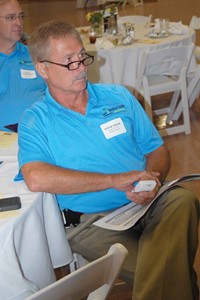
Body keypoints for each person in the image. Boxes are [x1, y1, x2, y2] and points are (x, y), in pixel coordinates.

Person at [16, 20, 199, 300]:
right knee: (172, 275)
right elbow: (36, 177)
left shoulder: (118, 96)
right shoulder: (35, 120)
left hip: (146, 203)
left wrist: (154, 179)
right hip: (91, 223)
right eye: (69, 62)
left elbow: (156, 149)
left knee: (183, 200)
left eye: (82, 57)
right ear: (42, 68)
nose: (81, 67)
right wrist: (115, 181)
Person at [0, 0, 46, 132]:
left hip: (37, 135)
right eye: (11, 17)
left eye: (21, 16)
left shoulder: (36, 55)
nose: (19, 23)